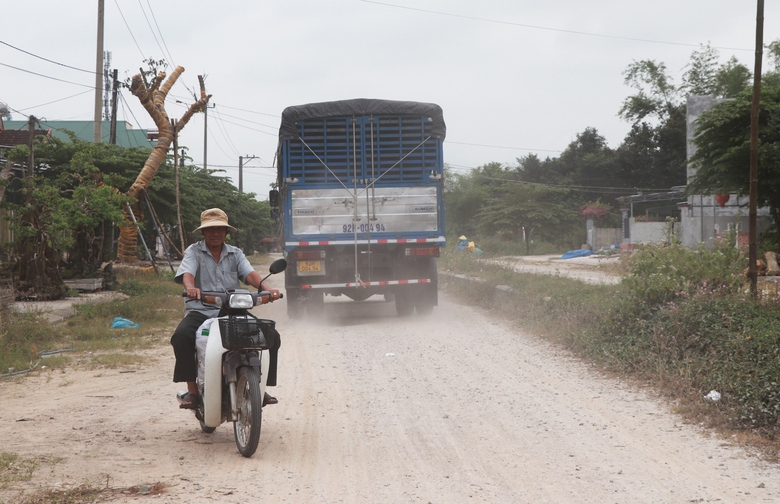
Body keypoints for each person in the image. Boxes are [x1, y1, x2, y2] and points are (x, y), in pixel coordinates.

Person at [171, 208, 281, 409]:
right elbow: (188, 274)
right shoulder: (193, 252)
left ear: (226, 232)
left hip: (231, 310)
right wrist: (191, 288)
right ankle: (193, 391)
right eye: (210, 229)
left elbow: (249, 274)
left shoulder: (235, 253)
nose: (215, 233)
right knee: (181, 336)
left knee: (271, 336)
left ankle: (258, 386)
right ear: (203, 232)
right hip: (200, 310)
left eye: (220, 229)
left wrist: (266, 289)